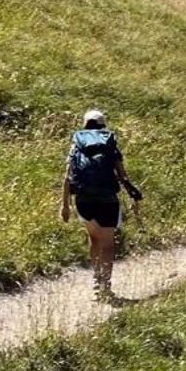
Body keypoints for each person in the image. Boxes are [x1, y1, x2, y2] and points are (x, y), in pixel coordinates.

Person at [61, 109, 142, 301]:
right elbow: (122, 176)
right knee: (107, 244)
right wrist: (133, 194)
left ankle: (97, 280)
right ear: (103, 124)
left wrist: (65, 205)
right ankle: (105, 284)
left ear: (85, 123)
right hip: (107, 199)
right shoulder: (109, 144)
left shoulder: (77, 145)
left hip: (83, 199)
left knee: (94, 239)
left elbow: (67, 177)